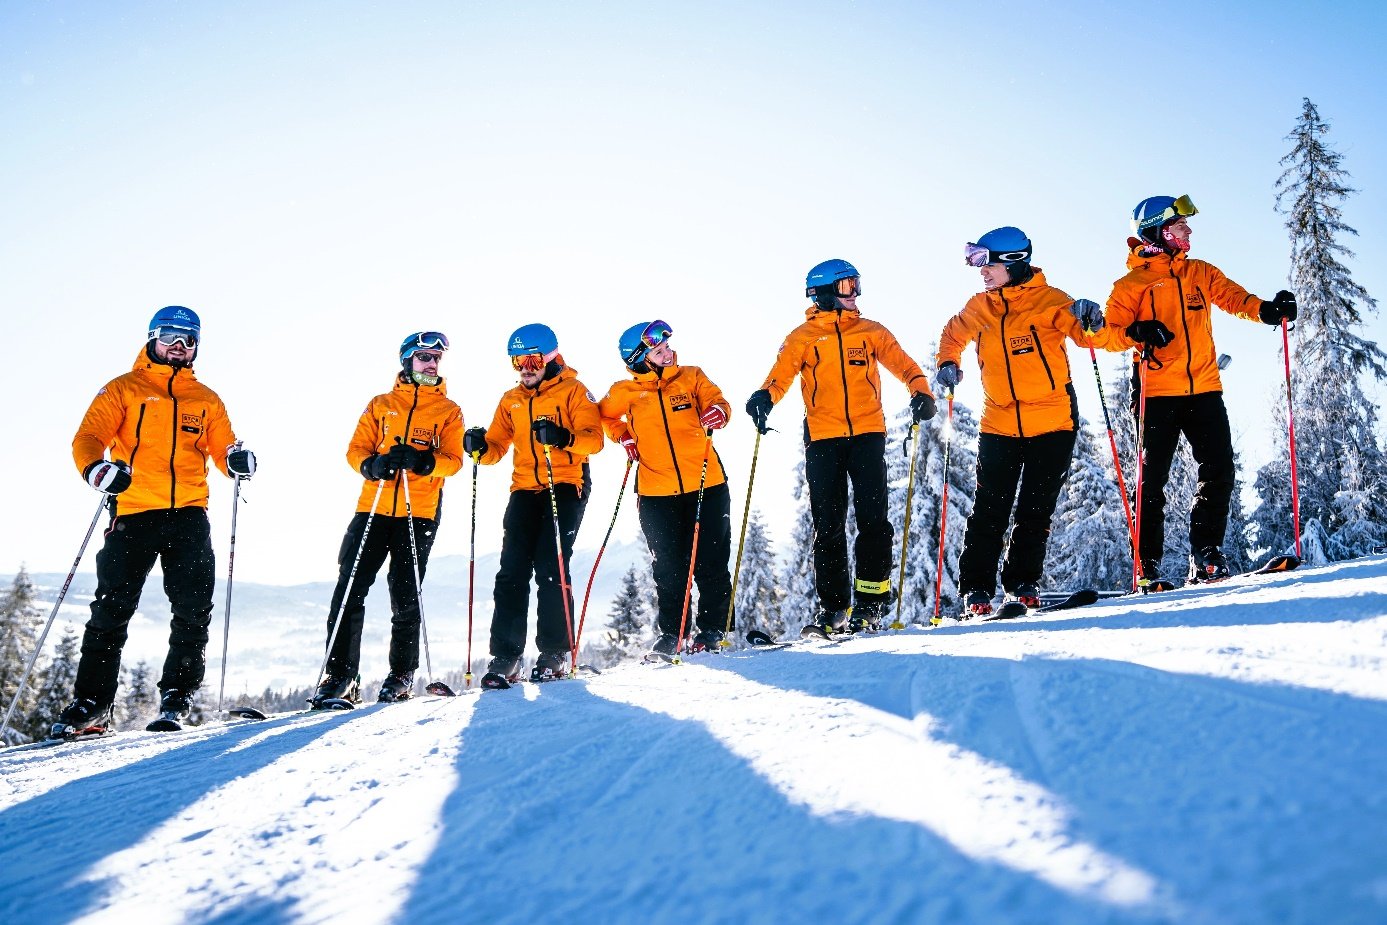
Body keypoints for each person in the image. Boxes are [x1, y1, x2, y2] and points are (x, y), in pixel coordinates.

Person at [53, 306, 257, 736]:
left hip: (188, 515)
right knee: (111, 609)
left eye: (188, 340)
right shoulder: (123, 389)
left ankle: (175, 701)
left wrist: (236, 460)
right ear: (152, 338)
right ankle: (92, 705)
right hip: (133, 512)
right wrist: (95, 468)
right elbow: (89, 438)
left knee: (192, 609)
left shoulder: (205, 400)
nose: (179, 347)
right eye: (170, 336)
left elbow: (222, 449)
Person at [1103, 195, 1296, 586]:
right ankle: (1148, 565)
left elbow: (1236, 299)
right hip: (1155, 392)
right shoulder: (1131, 284)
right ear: (1158, 232)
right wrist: (1135, 331)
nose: (1188, 231)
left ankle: (1205, 553)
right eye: (1180, 226)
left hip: (1204, 387)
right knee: (1151, 480)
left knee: (1220, 469)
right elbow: (1108, 334)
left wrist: (1269, 311)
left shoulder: (1200, 273)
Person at [745, 259, 937, 637]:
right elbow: (780, 375)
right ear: (825, 293)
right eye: (849, 287)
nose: (855, 294)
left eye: (856, 285)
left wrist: (921, 392)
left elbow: (905, 366)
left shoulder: (871, 332)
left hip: (867, 435)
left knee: (872, 521)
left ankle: (870, 604)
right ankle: (834, 608)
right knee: (828, 526)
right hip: (822, 438)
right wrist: (765, 396)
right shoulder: (801, 338)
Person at [937, 227, 1112, 618]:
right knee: (989, 509)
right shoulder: (978, 307)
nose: (980, 271)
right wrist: (948, 363)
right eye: (976, 262)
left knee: (1036, 508)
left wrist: (1092, 319)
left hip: (1052, 421)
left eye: (986, 262)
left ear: (1013, 262)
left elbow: (1090, 338)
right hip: (998, 422)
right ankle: (976, 590)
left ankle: (1022, 583)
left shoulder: (1051, 301)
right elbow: (952, 334)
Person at [313, 332, 464, 707]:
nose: (431, 364)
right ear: (407, 360)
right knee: (350, 588)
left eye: (436, 359)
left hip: (419, 511)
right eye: (424, 357)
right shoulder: (381, 404)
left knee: (405, 592)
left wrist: (423, 462)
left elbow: (454, 461)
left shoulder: (448, 410)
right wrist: (373, 465)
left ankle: (401, 674)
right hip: (373, 507)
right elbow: (355, 450)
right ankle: (341, 675)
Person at [465, 324, 603, 686]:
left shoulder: (575, 391)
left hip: (567, 485)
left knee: (551, 567)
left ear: (551, 357)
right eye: (517, 361)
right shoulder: (511, 400)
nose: (525, 367)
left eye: (532, 359)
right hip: (524, 490)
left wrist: (562, 438)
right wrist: (479, 446)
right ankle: (506, 657)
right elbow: (495, 448)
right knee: (511, 571)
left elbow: (594, 442)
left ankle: (555, 652)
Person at [599, 320, 733, 657]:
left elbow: (718, 401)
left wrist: (718, 412)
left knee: (711, 562)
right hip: (656, 494)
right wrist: (623, 435)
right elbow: (604, 416)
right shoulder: (624, 392)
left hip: (707, 485)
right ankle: (673, 633)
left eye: (668, 347)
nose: (669, 353)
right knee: (669, 567)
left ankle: (713, 631)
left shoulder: (691, 376)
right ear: (641, 359)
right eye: (659, 351)